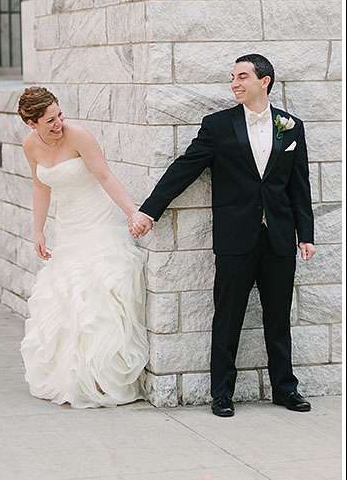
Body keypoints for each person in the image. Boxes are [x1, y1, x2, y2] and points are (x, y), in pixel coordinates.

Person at [130, 54, 315, 417]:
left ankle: (285, 389)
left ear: (265, 81)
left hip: (279, 238)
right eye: (232, 77)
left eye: (242, 76)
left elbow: (299, 186)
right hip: (236, 239)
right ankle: (222, 394)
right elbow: (184, 169)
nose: (234, 83)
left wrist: (304, 235)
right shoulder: (217, 126)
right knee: (228, 317)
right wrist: (150, 210)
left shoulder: (291, 127)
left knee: (278, 318)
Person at [18, 87, 149, 408]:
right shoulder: (30, 145)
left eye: (59, 115)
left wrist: (132, 211)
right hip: (69, 227)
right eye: (50, 120)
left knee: (97, 294)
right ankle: (74, 375)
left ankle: (102, 376)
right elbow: (40, 186)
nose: (58, 123)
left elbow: (104, 176)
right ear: (32, 123)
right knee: (67, 297)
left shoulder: (79, 136)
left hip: (99, 221)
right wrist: (38, 229)